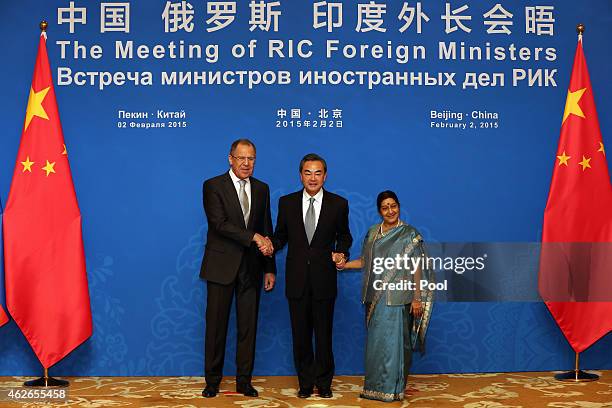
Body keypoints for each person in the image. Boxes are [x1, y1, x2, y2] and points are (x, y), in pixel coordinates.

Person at [340, 190, 434, 402]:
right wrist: (343, 265)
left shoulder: (409, 234)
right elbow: (365, 262)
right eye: (385, 207)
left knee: (396, 347)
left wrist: (417, 298)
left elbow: (416, 268)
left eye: (393, 206)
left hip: (400, 299)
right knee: (377, 345)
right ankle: (374, 388)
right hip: (376, 299)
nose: (390, 210)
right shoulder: (373, 233)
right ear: (379, 211)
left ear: (399, 206)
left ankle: (393, 390)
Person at [199, 139, 276, 398]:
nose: (246, 163)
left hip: (251, 268)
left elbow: (267, 229)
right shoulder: (213, 186)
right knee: (216, 327)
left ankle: (244, 381)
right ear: (230, 158)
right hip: (221, 266)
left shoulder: (262, 188)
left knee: (248, 328)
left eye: (251, 158)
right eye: (241, 158)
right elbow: (219, 224)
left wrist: (269, 268)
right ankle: (212, 381)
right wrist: (253, 237)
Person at [272, 153, 353, 399]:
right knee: (301, 336)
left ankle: (324, 383)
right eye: (308, 172)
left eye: (318, 173)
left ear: (325, 176)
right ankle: (305, 383)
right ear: (300, 175)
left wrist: (341, 253)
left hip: (324, 280)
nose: (313, 178)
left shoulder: (338, 204)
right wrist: (268, 245)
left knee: (324, 336)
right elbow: (280, 236)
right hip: (296, 281)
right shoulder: (286, 203)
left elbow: (345, 236)